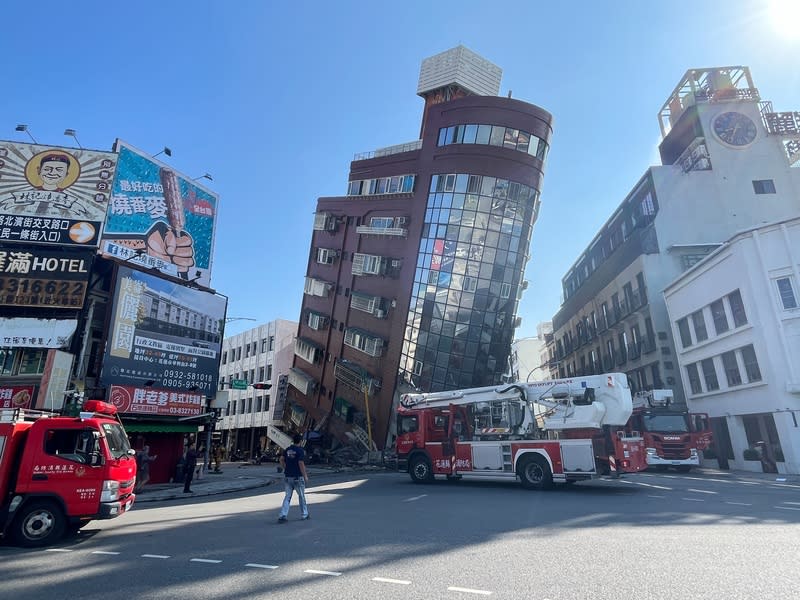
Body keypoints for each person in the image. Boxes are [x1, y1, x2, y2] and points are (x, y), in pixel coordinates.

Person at [277, 434, 309, 522]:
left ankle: (283, 515)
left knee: (287, 496)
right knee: (301, 496)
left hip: (288, 476)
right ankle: (304, 514)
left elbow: (281, 459)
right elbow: (301, 463)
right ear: (301, 441)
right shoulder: (300, 451)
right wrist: (305, 476)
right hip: (298, 476)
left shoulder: (287, 450)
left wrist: (285, 467)